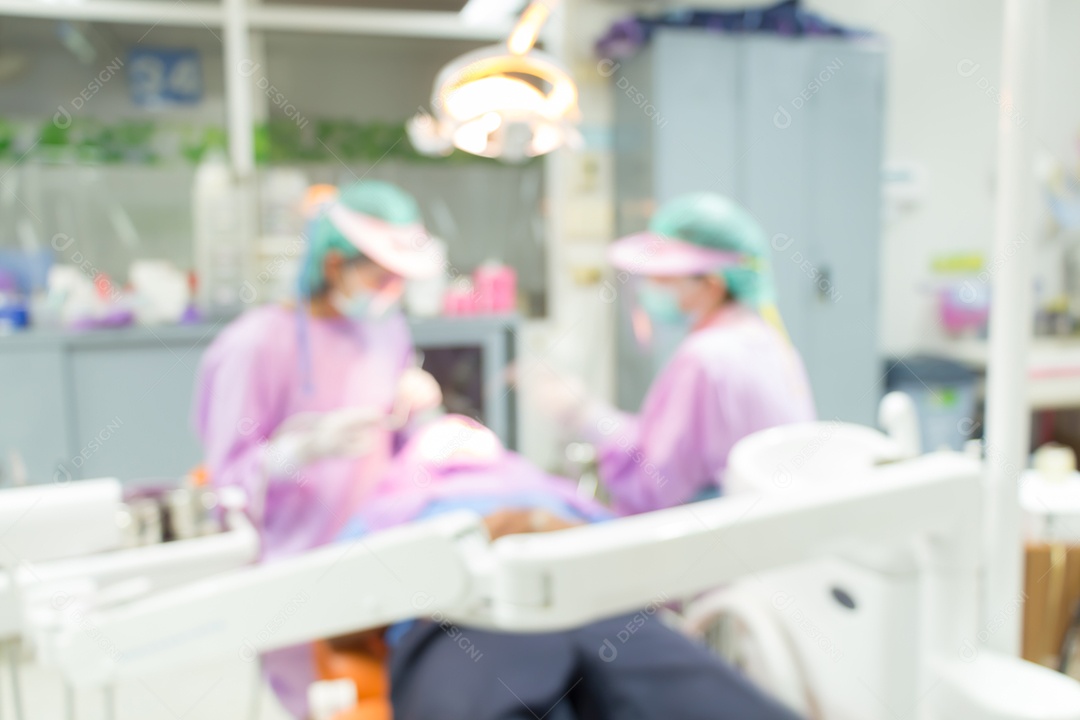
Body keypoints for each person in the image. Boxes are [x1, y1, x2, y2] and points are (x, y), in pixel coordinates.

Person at [328, 415, 802, 720]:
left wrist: (533, 524)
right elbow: (340, 618)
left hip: (599, 611)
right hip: (465, 622)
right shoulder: (390, 510)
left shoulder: (553, 493)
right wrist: (492, 535)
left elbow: (637, 566)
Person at [192, 179, 443, 716]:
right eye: (381, 277)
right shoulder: (256, 344)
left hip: (377, 551)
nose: (391, 292)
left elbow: (394, 437)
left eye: (400, 280)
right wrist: (298, 453)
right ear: (334, 265)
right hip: (293, 566)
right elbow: (226, 483)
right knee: (317, 704)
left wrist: (414, 409)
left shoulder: (384, 328)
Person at [541, 192, 815, 515]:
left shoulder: (706, 359)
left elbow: (654, 484)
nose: (649, 286)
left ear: (712, 285)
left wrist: (585, 415)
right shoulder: (767, 341)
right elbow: (673, 444)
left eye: (664, 276)